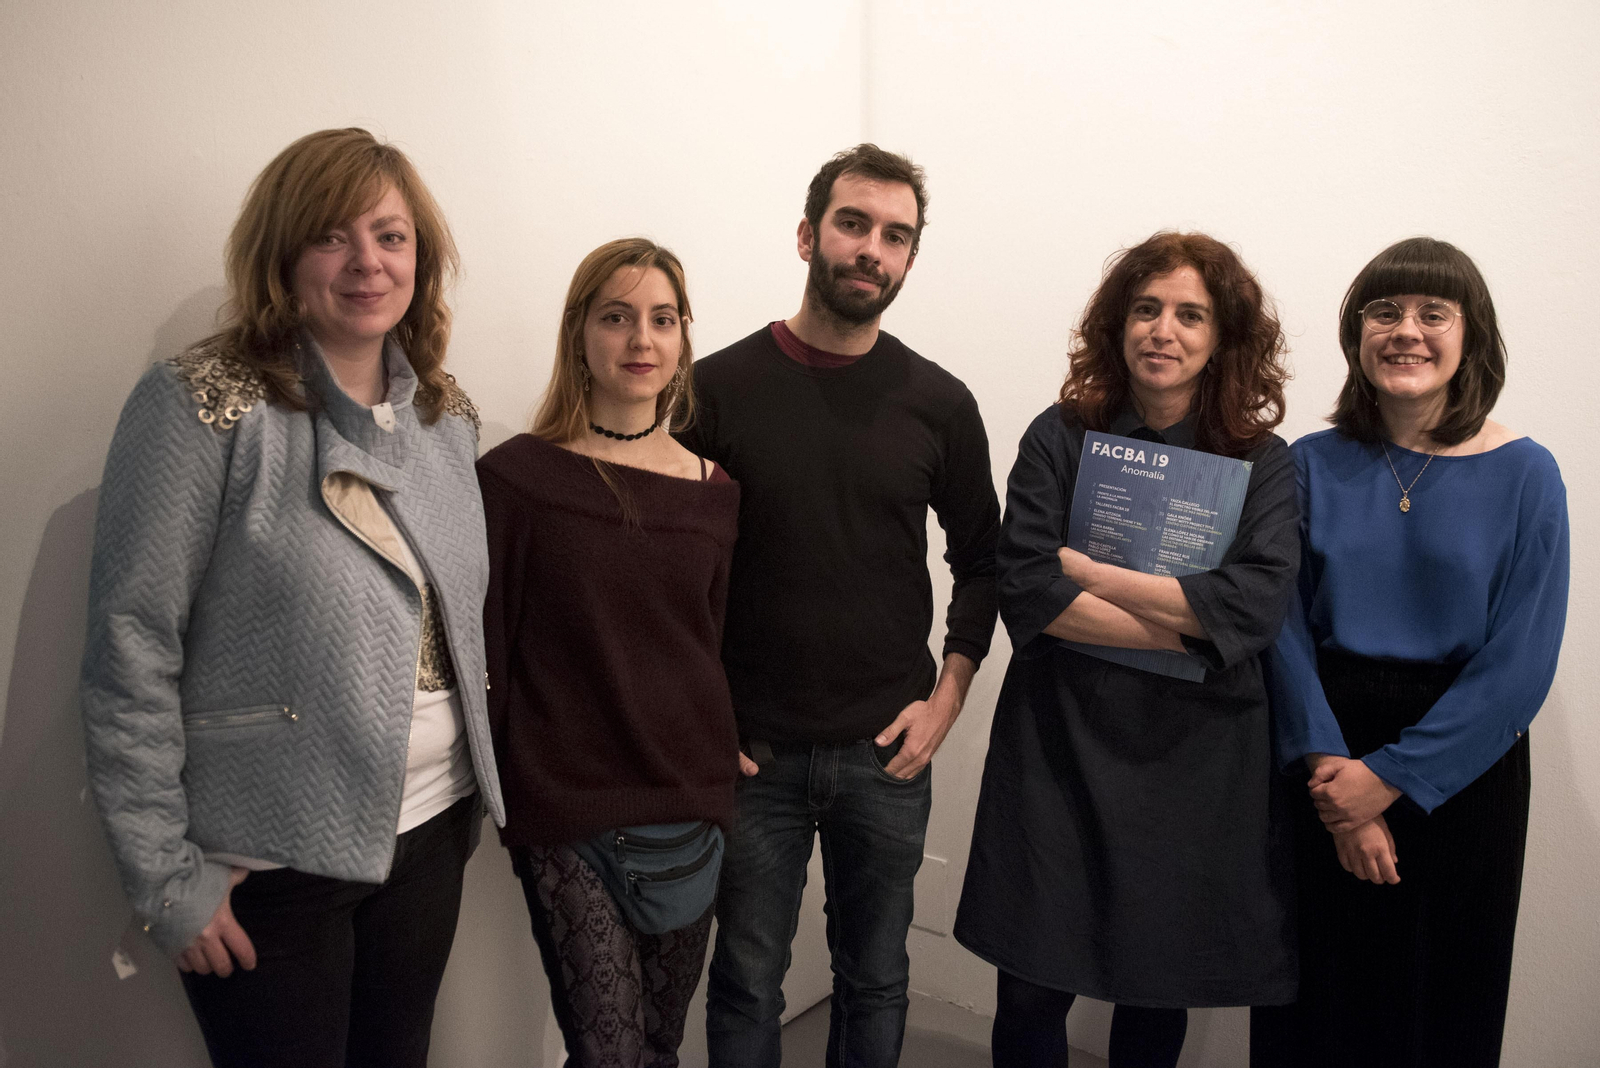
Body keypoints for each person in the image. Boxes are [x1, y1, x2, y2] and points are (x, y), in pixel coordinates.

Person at [79, 128, 503, 1067]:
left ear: (420, 258)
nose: (367, 263)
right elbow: (130, 645)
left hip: (431, 831)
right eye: (332, 236)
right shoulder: (200, 404)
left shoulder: (445, 416)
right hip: (272, 863)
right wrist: (161, 877)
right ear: (282, 254)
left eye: (391, 238)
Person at [679, 144, 1001, 1067]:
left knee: (875, 978)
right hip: (752, 756)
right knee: (745, 985)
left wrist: (947, 699)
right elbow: (666, 578)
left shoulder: (938, 403)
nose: (872, 250)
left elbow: (984, 561)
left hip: (885, 755)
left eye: (895, 236)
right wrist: (698, 713)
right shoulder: (714, 390)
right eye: (854, 224)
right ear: (807, 233)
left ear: (908, 259)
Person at [953, 231, 1300, 1068]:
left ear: (1222, 337)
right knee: (1031, 979)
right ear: (1117, 325)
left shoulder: (1263, 462)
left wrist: (1091, 574)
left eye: (1190, 314)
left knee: (1158, 981)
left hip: (1194, 758)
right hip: (1060, 745)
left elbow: (1254, 608)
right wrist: (1189, 623)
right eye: (1146, 309)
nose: (1163, 330)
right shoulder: (1060, 435)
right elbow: (1031, 590)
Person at [1251, 237, 1569, 1068]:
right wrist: (1333, 777)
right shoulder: (1306, 464)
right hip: (1324, 742)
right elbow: (1280, 625)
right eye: (1384, 312)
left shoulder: (1528, 475)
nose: (1407, 331)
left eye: (1434, 313)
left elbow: (1521, 664)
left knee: (1441, 1000)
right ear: (1357, 334)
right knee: (1315, 996)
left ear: (1473, 336)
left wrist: (1385, 782)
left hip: (1461, 769)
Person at [477, 238, 741, 1067]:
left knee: (660, 1046)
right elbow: (490, 645)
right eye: (617, 317)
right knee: (610, 1053)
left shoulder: (714, 492)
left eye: (663, 320)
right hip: (567, 805)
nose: (641, 340)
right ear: (579, 334)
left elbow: (710, 639)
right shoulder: (516, 481)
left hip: (690, 799)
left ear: (683, 339)